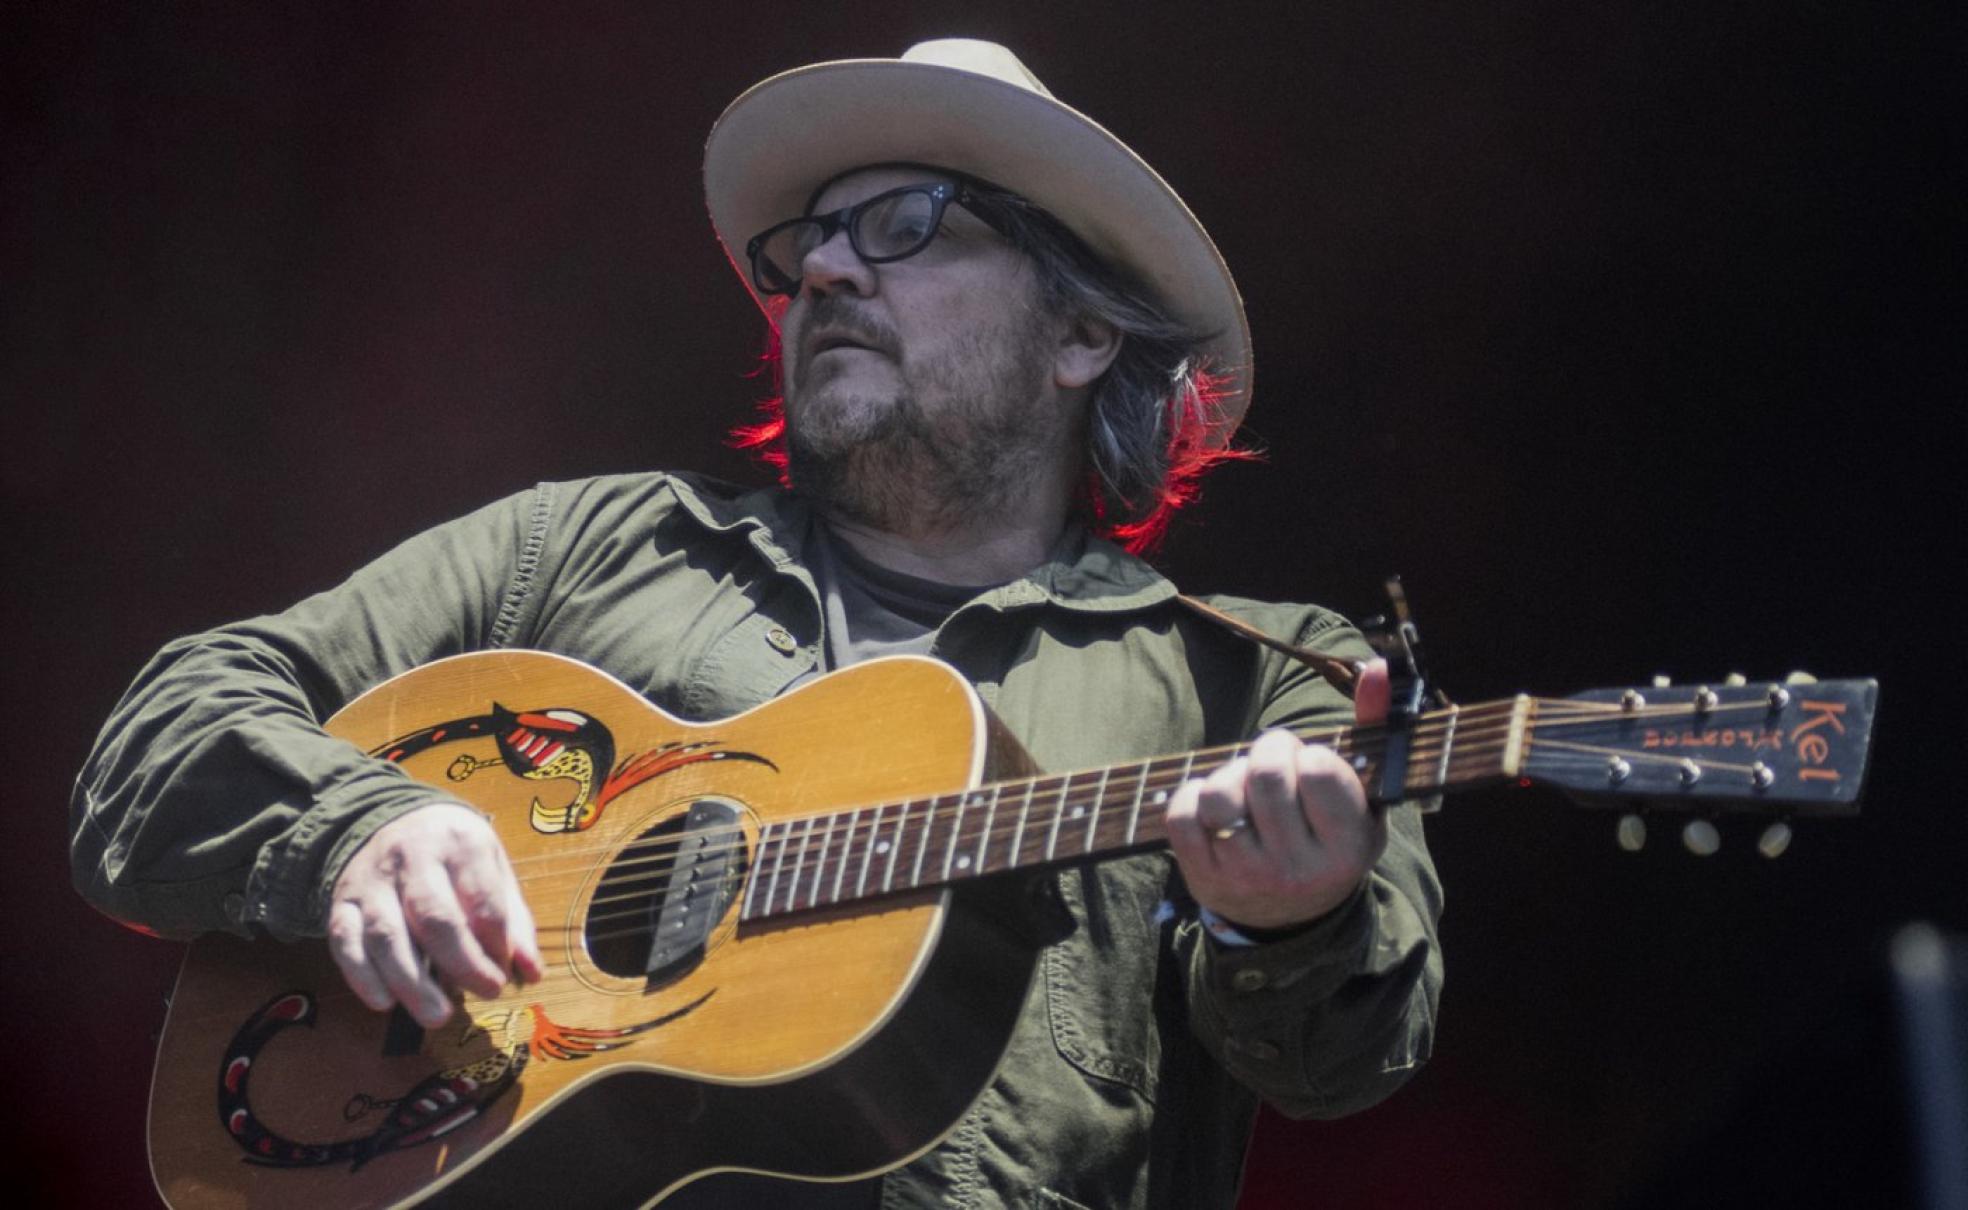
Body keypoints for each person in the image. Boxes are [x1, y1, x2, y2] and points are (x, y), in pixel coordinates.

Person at [72, 40, 1441, 1210]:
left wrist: (1288, 922)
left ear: (1082, 329)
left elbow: (1337, 1066)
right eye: (811, 241)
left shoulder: (1260, 680)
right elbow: (168, 725)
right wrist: (358, 830)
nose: (828, 270)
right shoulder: (592, 549)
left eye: (907, 222)